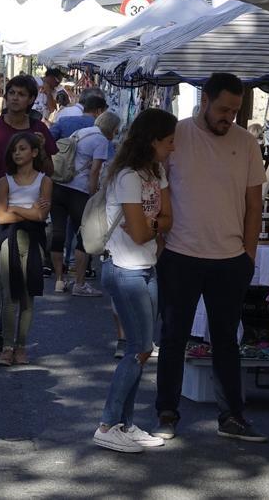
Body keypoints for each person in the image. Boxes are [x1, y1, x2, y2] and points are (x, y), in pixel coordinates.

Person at [153, 72, 267, 444]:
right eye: (223, 109)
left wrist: (249, 255)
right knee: (173, 337)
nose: (228, 117)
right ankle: (166, 413)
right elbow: (156, 185)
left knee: (226, 340)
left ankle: (231, 416)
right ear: (205, 100)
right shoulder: (178, 135)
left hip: (230, 258)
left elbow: (255, 204)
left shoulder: (247, 143)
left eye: (235, 111)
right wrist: (160, 239)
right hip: (180, 254)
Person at [92, 108, 176, 454]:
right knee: (140, 348)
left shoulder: (154, 171)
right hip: (124, 269)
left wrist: (151, 225)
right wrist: (154, 226)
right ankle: (108, 424)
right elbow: (143, 231)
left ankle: (124, 424)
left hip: (145, 267)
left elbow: (166, 219)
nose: (174, 147)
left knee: (140, 349)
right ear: (154, 140)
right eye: (170, 141)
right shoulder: (128, 177)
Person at [0, 76, 57, 354]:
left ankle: (13, 339)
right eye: (11, 93)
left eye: (21, 94)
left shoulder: (39, 129)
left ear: (32, 99)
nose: (14, 98)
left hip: (31, 217)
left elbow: (50, 171)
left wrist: (41, 147)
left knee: (22, 279)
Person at [0, 132, 53, 366]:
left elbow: (42, 215)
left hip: (35, 242)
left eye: (22, 149)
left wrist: (15, 209)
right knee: (10, 296)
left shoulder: (44, 181)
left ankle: (21, 346)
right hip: (12, 241)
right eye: (14, 150)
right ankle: (7, 346)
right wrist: (28, 210)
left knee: (28, 297)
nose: (17, 153)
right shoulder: (4, 181)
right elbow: (1, 216)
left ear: (35, 152)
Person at [48, 95, 112, 296]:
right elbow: (95, 171)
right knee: (84, 235)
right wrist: (94, 195)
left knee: (58, 232)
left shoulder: (77, 131)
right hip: (79, 191)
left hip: (59, 185)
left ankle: (59, 280)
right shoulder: (101, 139)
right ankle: (79, 283)